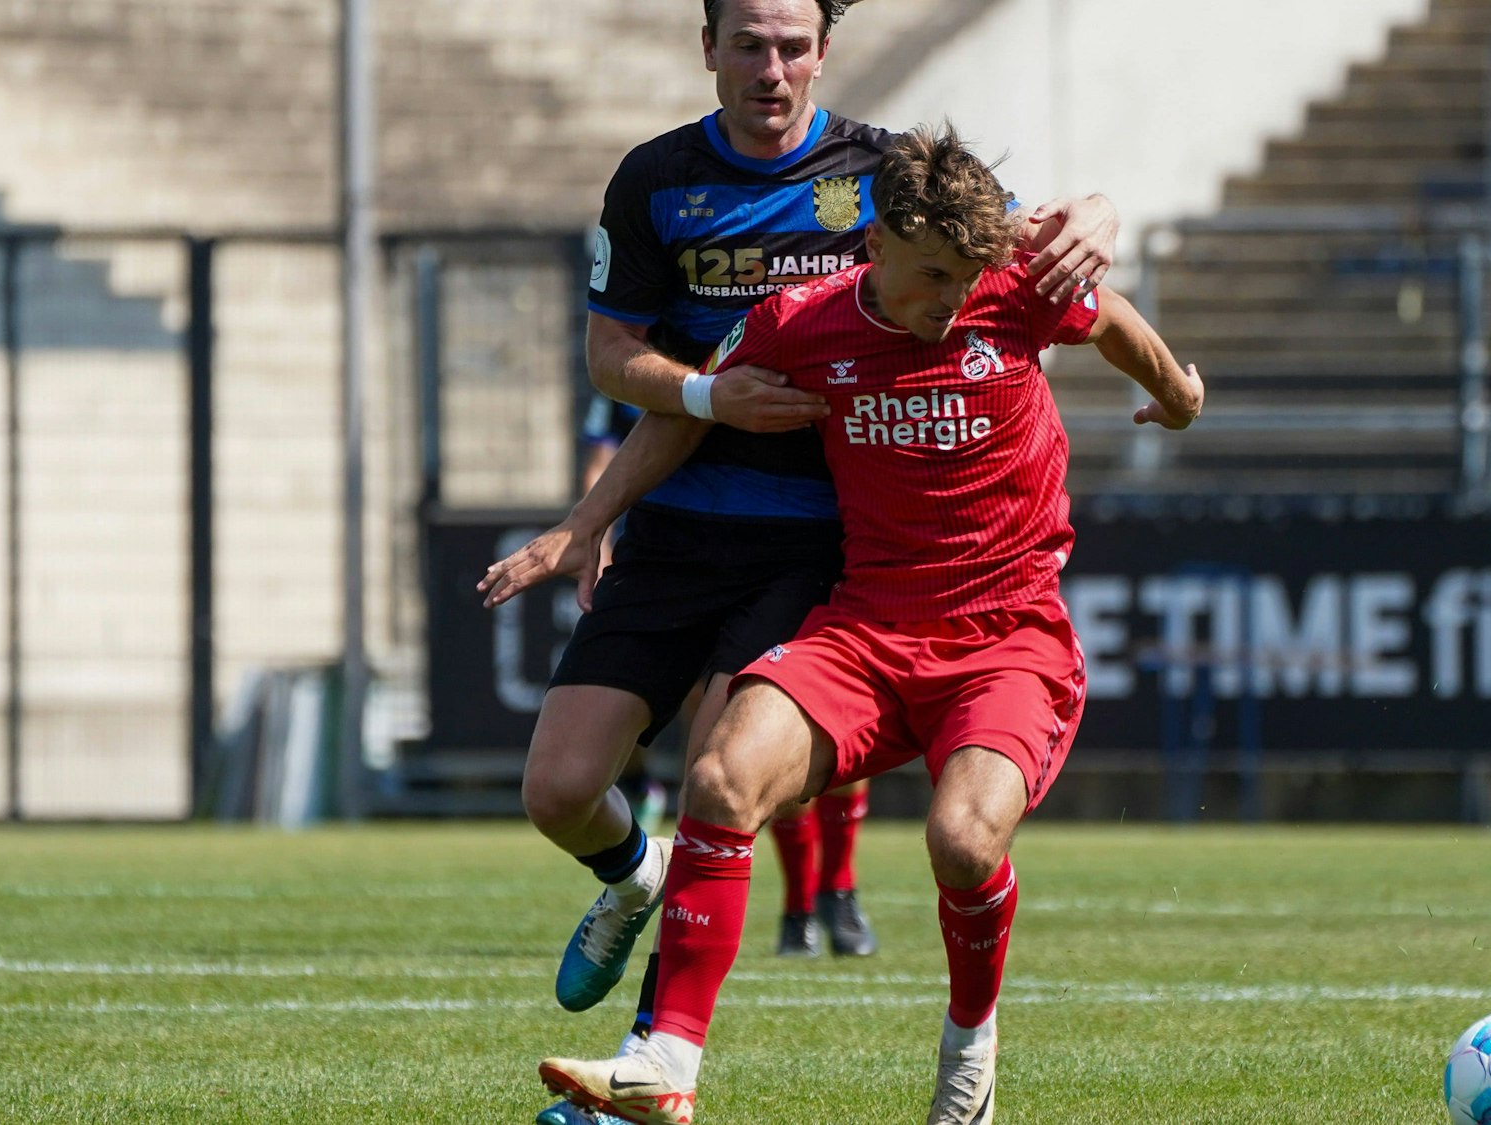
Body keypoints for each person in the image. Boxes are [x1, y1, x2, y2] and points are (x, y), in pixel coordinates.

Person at [474, 2, 1122, 1117]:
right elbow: (610, 357)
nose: (769, 68)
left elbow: (1033, 249)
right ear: (709, 47)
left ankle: (645, 1076)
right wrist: (683, 414)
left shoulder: (886, 175)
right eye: (748, 44)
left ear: (823, 51)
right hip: (680, 518)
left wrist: (1102, 211)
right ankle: (637, 879)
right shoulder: (653, 182)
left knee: (730, 773)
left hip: (821, 538)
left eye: (791, 46)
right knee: (561, 787)